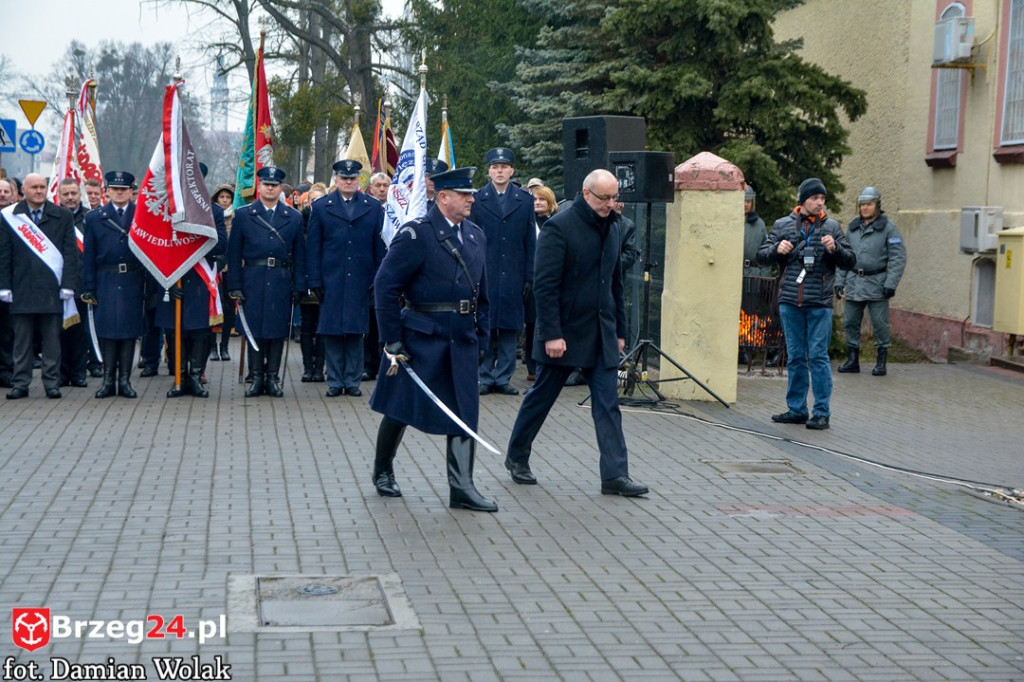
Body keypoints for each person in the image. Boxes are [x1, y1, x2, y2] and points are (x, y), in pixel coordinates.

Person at [504, 169, 649, 497]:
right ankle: (517, 456)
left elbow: (615, 283)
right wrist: (551, 333)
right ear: (586, 193)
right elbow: (545, 285)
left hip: (601, 332)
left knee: (608, 404)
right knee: (542, 397)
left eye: (614, 198)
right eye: (604, 198)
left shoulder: (613, 227)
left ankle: (615, 475)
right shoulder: (560, 227)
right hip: (564, 335)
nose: (610, 204)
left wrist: (620, 331)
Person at [369, 166, 497, 512]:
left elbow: (482, 292)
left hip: (463, 337)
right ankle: (382, 470)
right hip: (422, 336)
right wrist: (391, 339)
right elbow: (386, 286)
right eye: (464, 195)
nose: (472, 199)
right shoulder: (417, 234)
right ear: (443, 197)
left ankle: (462, 487)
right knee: (401, 407)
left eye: (471, 194)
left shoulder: (474, 235)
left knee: (464, 411)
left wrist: (483, 335)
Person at [756, 177, 856, 430]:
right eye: (814, 198)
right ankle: (797, 409)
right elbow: (761, 256)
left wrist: (836, 249)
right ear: (802, 201)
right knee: (796, 357)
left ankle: (822, 412)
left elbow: (850, 261)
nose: (820, 202)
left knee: (819, 357)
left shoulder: (831, 227)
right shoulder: (782, 225)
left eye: (822, 198)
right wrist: (778, 247)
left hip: (819, 303)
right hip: (790, 301)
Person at [306, 159, 385, 397]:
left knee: (356, 330)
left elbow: (379, 247)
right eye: (344, 178)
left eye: (352, 179)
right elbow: (314, 247)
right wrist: (314, 281)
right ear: (336, 180)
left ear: (359, 181)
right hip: (332, 277)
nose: (348, 182)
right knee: (332, 331)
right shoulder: (321, 207)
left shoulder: (372, 207)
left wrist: (378, 279)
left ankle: (352, 381)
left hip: (362, 277)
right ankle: (334, 381)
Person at [0, 173, 81, 399]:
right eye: (34, 187)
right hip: (21, 288)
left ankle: (51, 383)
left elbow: (70, 254)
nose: (38, 191)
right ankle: (20, 383)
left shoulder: (62, 216)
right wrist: (3, 285)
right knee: (21, 341)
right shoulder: (10, 217)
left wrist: (68, 285)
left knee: (52, 341)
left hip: (51, 289)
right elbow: (4, 254)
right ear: (23, 190)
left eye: (42, 187)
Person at [227, 166, 306, 397]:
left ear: (280, 188)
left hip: (281, 279)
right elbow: (234, 255)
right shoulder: (243, 214)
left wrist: (300, 285)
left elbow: (300, 254)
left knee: (276, 329)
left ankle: (273, 377)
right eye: (266, 184)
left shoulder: (293, 217)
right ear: (259, 187)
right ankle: (257, 377)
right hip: (252, 278)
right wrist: (235, 285)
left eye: (274, 185)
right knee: (254, 329)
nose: (270, 188)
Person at [155, 165, 228, 398]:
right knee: (174, 331)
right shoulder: (165, 211)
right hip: (172, 278)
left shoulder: (213, 211)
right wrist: (166, 283)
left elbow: (222, 244)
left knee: (199, 332)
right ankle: (180, 378)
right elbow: (155, 246)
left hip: (199, 280)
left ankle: (196, 377)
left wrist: (194, 242)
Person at [470, 147, 536, 395]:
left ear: (511, 171)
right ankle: (485, 376)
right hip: (485, 273)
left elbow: (531, 241)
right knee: (486, 326)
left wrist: (529, 276)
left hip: (514, 273)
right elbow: (471, 238)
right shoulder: (477, 199)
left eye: (504, 167)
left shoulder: (525, 200)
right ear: (489, 171)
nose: (499, 171)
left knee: (509, 328)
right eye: (495, 167)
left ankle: (504, 377)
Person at [80, 170, 146, 399]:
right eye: (115, 189)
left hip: (133, 280)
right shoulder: (94, 218)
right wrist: (88, 287)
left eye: (124, 189)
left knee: (129, 332)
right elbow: (89, 255)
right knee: (107, 332)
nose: (119, 193)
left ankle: (125, 381)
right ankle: (108, 381)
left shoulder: (142, 216)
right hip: (105, 280)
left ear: (131, 191)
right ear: (107, 191)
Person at [835, 187, 907, 377]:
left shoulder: (889, 228)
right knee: (850, 321)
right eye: (862, 204)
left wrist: (891, 283)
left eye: (869, 204)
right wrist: (839, 281)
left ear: (877, 205)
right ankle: (853, 360)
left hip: (877, 283)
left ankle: (881, 361)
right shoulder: (852, 229)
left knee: (880, 323)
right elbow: (844, 257)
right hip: (854, 282)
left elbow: (898, 257)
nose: (865, 208)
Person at [56, 178, 93, 387]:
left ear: (80, 195)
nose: (70, 198)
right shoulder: (52, 217)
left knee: (80, 334)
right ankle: (61, 373)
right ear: (59, 196)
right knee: (58, 333)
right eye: (66, 194)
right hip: (57, 286)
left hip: (81, 285)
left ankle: (79, 374)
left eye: (73, 193)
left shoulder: (91, 218)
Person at [523, 184, 558, 381]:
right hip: (531, 279)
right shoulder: (527, 222)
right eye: (535, 199)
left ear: (549, 202)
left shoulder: (555, 223)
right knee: (531, 325)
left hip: (549, 279)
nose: (538, 203)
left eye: (541, 199)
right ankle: (531, 367)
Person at [298, 183, 328, 383]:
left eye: (319, 200)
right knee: (307, 327)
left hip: (325, 282)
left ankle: (320, 367)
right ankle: (308, 366)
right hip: (307, 282)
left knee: (323, 328)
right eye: (312, 200)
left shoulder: (329, 220)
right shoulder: (299, 223)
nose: (315, 204)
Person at [210, 184, 236, 362]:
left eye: (228, 197)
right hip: (212, 268)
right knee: (212, 308)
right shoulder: (210, 215)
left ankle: (224, 346)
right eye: (221, 197)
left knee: (228, 308)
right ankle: (212, 347)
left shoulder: (238, 217)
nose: (225, 200)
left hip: (231, 268)